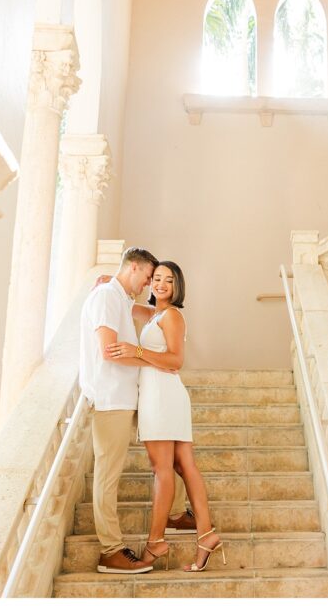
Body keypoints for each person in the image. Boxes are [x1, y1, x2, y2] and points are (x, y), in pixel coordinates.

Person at [106, 261, 226, 572]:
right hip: (164, 395)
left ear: (177, 286)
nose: (160, 284)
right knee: (184, 465)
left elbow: (175, 361)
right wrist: (112, 282)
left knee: (162, 470)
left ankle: (156, 541)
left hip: (163, 395)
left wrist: (138, 352)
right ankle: (206, 535)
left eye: (167, 280)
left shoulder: (172, 315)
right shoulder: (155, 315)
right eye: (156, 278)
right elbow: (130, 307)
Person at [80, 246, 188, 575]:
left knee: (168, 453)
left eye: (160, 279)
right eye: (148, 276)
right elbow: (110, 352)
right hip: (112, 398)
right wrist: (149, 357)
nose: (149, 284)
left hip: (133, 394)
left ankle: (175, 510)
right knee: (108, 475)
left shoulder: (119, 297)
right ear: (134, 267)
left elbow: (142, 311)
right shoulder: (106, 298)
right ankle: (110, 550)